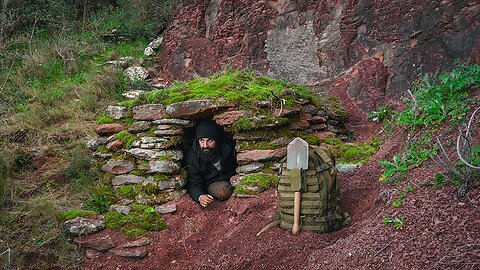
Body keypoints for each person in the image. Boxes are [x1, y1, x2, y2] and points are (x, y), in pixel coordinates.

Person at [185, 120, 237, 207]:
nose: (205, 145)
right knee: (223, 190)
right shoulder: (193, 156)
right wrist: (200, 197)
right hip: (211, 184)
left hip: (234, 177)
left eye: (209, 141)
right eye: (201, 140)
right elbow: (193, 183)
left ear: (217, 140)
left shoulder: (228, 148)